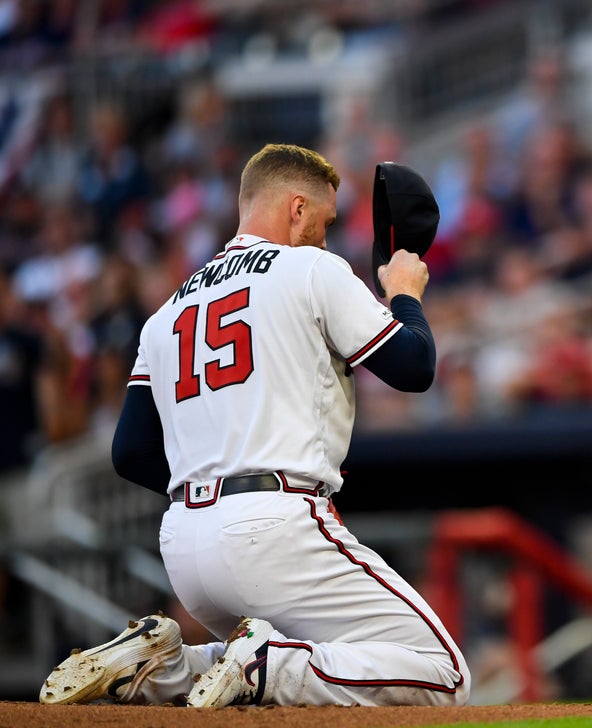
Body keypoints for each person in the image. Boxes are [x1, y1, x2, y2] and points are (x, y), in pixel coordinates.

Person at [38, 144, 469, 707]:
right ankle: (265, 665)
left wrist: (212, 487)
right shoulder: (311, 268)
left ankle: (165, 666)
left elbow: (131, 452)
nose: (325, 234)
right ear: (296, 208)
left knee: (313, 656)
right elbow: (413, 368)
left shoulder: (167, 311)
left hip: (186, 544)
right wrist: (405, 294)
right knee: (445, 673)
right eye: (324, 219)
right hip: (276, 520)